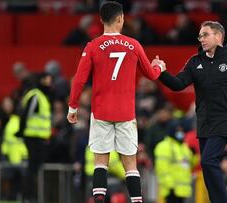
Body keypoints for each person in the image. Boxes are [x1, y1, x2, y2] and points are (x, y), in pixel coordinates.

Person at [158, 21, 227, 203]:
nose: (201, 39)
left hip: (224, 121)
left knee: (208, 161)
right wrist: (161, 72)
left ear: (218, 36)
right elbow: (178, 84)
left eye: (206, 35)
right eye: (200, 36)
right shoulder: (195, 61)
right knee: (206, 165)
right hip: (203, 122)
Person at [66, 2, 165, 203]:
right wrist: (159, 67)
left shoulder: (92, 46)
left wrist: (73, 107)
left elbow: (79, 79)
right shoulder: (134, 45)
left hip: (101, 112)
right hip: (126, 113)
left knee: (100, 162)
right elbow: (151, 75)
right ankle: (137, 201)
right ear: (121, 19)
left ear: (101, 20)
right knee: (130, 164)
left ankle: (99, 200)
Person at [16, 72, 53, 202]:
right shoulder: (36, 96)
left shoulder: (41, 96)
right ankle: (27, 196)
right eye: (47, 80)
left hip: (39, 138)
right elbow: (25, 114)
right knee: (32, 167)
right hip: (33, 137)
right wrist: (21, 131)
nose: (49, 82)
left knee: (34, 167)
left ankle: (29, 195)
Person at [154, 121, 197, 203]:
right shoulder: (164, 146)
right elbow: (162, 168)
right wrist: (170, 185)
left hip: (182, 190)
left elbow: (190, 165)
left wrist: (194, 155)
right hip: (171, 190)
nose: (180, 133)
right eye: (178, 130)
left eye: (181, 131)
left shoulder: (183, 147)